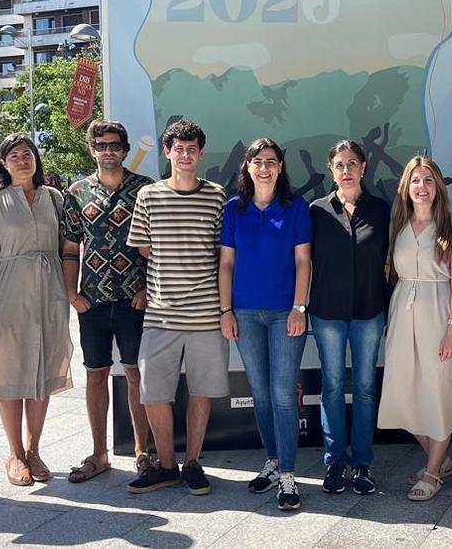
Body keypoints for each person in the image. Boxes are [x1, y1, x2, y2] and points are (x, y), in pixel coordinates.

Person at [0, 133, 73, 486]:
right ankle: (14, 454)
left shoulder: (54, 198)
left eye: (28, 154)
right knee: (9, 370)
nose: (23, 160)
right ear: (3, 163)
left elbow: (67, 245)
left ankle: (34, 448)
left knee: (42, 368)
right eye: (14, 156)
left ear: (36, 160)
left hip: (49, 290)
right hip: (8, 290)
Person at [126, 119, 227, 496]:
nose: (185, 155)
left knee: (201, 391)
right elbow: (143, 248)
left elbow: (220, 253)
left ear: (200, 154)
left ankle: (193, 464)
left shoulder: (216, 195)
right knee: (154, 393)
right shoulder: (148, 196)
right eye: (178, 149)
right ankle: (166, 465)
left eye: (192, 149)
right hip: (160, 314)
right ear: (167, 152)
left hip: (206, 315)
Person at [377, 155, 452, 501]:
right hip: (403, 314)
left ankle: (432, 472)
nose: (422, 187)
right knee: (404, 391)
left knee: (437, 392)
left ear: (438, 187)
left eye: (429, 181)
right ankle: (442, 459)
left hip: (439, 313)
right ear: (407, 187)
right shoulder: (398, 225)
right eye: (416, 181)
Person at [218, 138, 312, 511]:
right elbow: (226, 264)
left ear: (280, 167)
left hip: (284, 313)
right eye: (257, 161)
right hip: (244, 313)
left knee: (284, 394)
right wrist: (226, 311)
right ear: (247, 167)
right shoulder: (233, 209)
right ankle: (272, 462)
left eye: (271, 161)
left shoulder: (295, 207)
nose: (264, 167)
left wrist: (299, 307)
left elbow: (304, 261)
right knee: (260, 391)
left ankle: (288, 475)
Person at [61, 121, 155, 483]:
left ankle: (143, 452)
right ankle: (99, 454)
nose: (108, 150)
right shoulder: (77, 192)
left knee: (135, 374)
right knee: (96, 375)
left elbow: (156, 247)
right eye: (101, 145)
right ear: (92, 149)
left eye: (115, 144)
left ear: (125, 148)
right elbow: (70, 247)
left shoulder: (144, 190)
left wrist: (148, 289)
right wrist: (72, 294)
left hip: (135, 298)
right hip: (93, 300)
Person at [308, 140, 390, 496]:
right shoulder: (316, 211)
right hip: (327, 311)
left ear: (364, 168)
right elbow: (301, 261)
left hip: (369, 311)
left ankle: (362, 464)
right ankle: (335, 461)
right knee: (331, 387)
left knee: (366, 388)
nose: (346, 170)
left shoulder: (381, 210)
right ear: (331, 169)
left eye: (352, 163)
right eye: (340, 164)